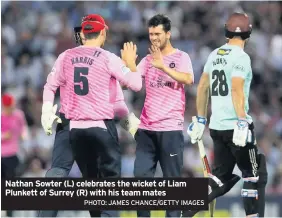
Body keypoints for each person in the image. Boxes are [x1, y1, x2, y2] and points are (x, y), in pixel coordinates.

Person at [39, 15, 140, 217]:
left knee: (58, 174)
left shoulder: (65, 57)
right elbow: (124, 102)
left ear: (82, 35)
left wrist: (46, 110)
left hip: (69, 125)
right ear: (103, 33)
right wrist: (131, 64)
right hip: (100, 125)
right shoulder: (109, 60)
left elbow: (50, 86)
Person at [186, 12, 268, 217]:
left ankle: (186, 210)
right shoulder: (242, 57)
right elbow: (237, 88)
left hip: (216, 127)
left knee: (221, 176)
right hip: (236, 126)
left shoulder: (214, 54)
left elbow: (203, 86)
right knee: (254, 174)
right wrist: (241, 119)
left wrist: (201, 118)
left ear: (226, 33)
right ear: (248, 34)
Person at [126, 14, 194, 218]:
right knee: (140, 179)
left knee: (171, 183)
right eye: (151, 34)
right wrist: (129, 64)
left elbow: (188, 79)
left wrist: (163, 66)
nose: (154, 38)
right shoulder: (147, 60)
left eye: (157, 34)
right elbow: (132, 82)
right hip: (147, 129)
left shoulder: (181, 57)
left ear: (168, 34)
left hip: (170, 129)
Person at [1, 93, 28, 217]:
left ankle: (11, 211)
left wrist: (23, 135)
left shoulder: (18, 115)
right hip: (2, 154)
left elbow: (24, 128)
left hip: (14, 153)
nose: (11, 109)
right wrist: (3, 136)